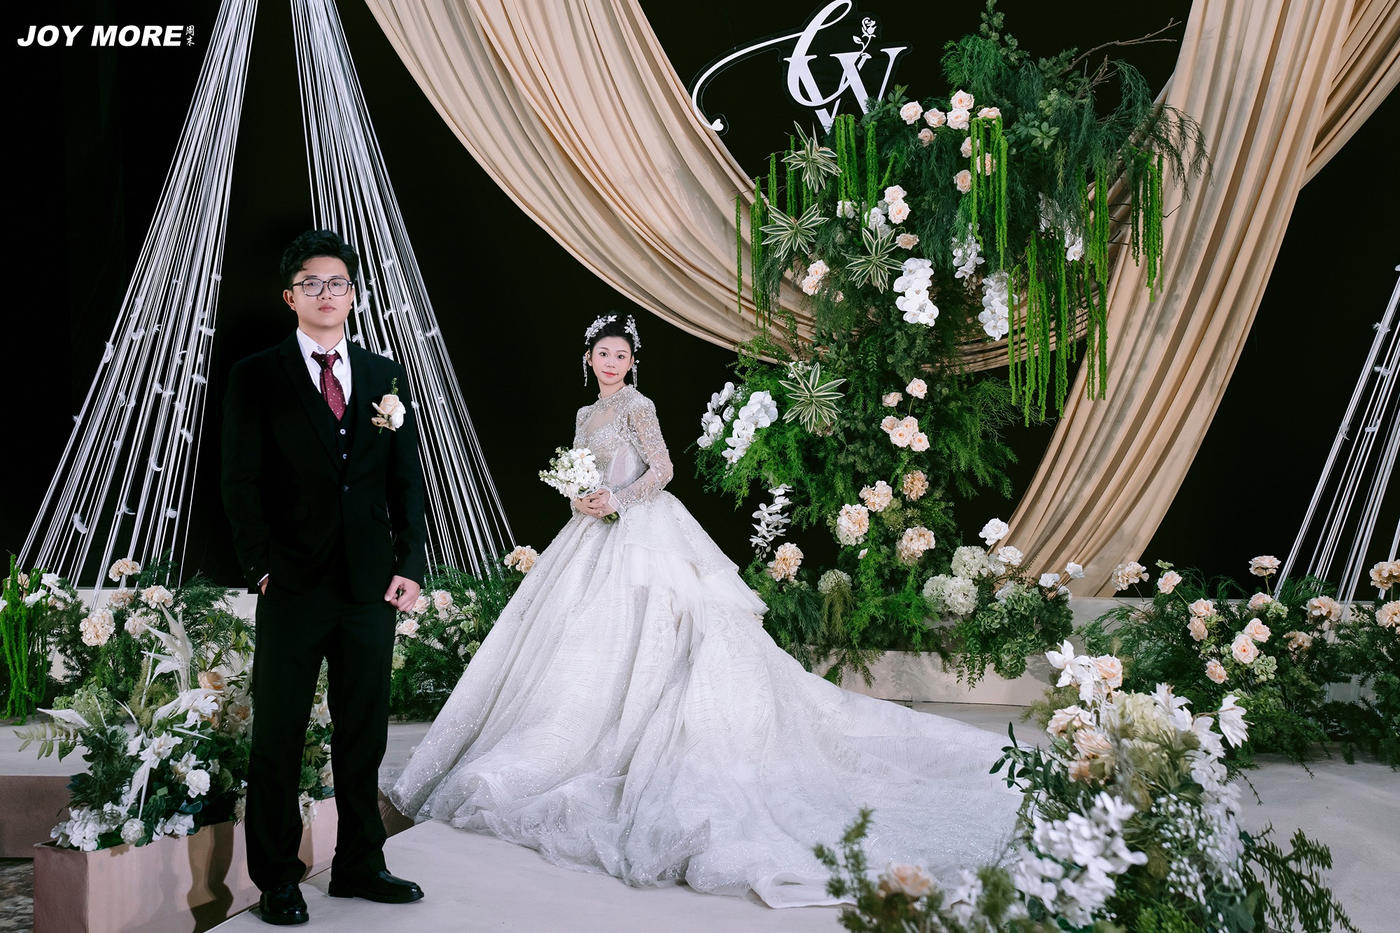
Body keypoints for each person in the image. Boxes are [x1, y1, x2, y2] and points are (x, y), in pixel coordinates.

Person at [389, 313, 1021, 908]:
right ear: (588, 359)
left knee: (665, 631)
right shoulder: (584, 413)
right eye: (603, 354)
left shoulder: (638, 406)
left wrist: (618, 500)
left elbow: (662, 469)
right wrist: (582, 497)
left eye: (621, 355)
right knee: (576, 640)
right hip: (592, 533)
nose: (611, 362)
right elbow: (583, 471)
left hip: (643, 530)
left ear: (632, 363)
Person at [222, 229, 428, 925]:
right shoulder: (257, 374)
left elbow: (406, 479)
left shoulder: (383, 374)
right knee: (278, 735)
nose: (325, 293)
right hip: (292, 585)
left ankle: (360, 864)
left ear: (353, 294)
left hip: (370, 587)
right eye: (310, 283)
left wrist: (409, 564)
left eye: (336, 282)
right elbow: (239, 481)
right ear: (291, 297)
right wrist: (261, 568)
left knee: (363, 732)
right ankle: (277, 877)